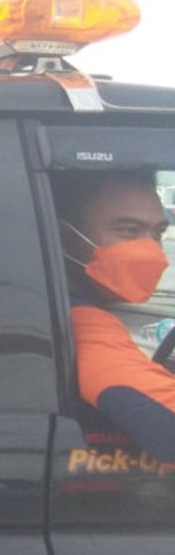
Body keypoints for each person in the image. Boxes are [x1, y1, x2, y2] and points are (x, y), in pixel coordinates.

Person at [54, 169, 175, 461]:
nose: (151, 249)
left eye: (157, 232)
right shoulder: (83, 324)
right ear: (67, 238)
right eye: (129, 231)